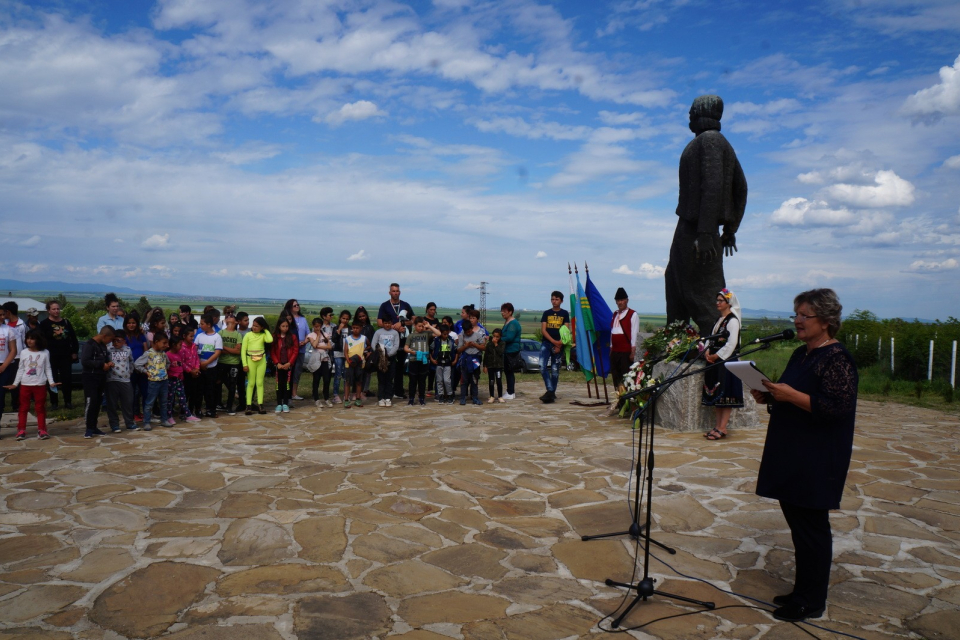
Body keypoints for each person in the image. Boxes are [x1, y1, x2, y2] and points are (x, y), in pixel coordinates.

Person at [752, 289, 857, 623]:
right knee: (799, 527)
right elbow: (790, 396)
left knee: (812, 529)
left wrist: (791, 395)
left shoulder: (837, 359)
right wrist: (768, 395)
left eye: (803, 315)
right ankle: (801, 591)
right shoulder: (801, 354)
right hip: (791, 451)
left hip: (817, 457)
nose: (796, 321)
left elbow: (837, 408)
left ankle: (812, 601)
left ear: (826, 321)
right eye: (794, 314)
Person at [665, 95, 747, 335]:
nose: (689, 118)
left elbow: (712, 186)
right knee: (675, 280)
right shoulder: (715, 143)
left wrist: (706, 232)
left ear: (700, 115)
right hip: (696, 228)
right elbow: (741, 188)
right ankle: (675, 339)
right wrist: (729, 229)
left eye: (691, 113)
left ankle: (716, 348)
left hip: (698, 230)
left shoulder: (710, 140)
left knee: (702, 293)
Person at [702, 288, 743, 440]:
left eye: (721, 301)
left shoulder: (732, 321)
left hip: (726, 362)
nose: (717, 303)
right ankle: (717, 426)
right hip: (716, 362)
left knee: (726, 397)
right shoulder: (719, 320)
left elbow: (731, 344)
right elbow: (711, 337)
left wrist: (716, 356)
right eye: (717, 300)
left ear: (728, 303)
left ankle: (723, 427)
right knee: (718, 396)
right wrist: (706, 351)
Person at [4, 329, 57, 440]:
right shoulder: (23, 352)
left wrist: (51, 382)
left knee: (40, 408)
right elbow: (21, 369)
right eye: (28, 338)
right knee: (23, 408)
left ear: (38, 340)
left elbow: (47, 368)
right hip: (25, 385)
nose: (29, 341)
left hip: (40, 385)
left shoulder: (45, 352)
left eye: (32, 338)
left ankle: (42, 430)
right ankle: (21, 430)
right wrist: (15, 384)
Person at [40, 300, 79, 410]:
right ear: (48, 310)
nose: (56, 311)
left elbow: (73, 338)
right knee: (52, 379)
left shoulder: (65, 322)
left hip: (65, 355)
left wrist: (74, 351)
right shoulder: (44, 324)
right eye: (54, 309)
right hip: (50, 356)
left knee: (67, 379)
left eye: (58, 309)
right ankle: (54, 402)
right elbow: (40, 340)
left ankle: (68, 401)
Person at [377, 284, 414, 400]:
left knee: (400, 366)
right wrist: (393, 327)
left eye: (397, 291)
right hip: (388, 341)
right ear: (389, 293)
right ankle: (386, 392)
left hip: (403, 340)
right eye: (393, 291)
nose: (395, 293)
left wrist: (402, 324)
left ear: (400, 292)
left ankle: (398, 391)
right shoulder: (384, 305)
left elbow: (413, 320)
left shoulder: (405, 305)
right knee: (386, 366)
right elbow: (379, 322)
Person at [80, 326, 114, 438]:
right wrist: (100, 365)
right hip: (90, 377)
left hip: (101, 377)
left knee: (97, 402)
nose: (110, 342)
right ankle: (89, 428)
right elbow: (85, 361)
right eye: (110, 339)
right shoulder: (89, 345)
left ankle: (94, 426)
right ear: (104, 336)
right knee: (91, 402)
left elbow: (105, 358)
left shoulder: (103, 346)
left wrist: (108, 363)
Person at [135, 332, 172, 430]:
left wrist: (164, 369)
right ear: (156, 342)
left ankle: (164, 420)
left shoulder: (163, 354)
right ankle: (146, 422)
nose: (166, 345)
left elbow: (168, 363)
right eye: (164, 343)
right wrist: (146, 371)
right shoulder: (149, 354)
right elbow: (137, 364)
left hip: (164, 381)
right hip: (153, 382)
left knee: (164, 402)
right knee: (150, 402)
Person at [105, 329, 138, 432]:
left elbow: (131, 361)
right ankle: (114, 424)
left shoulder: (127, 349)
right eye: (114, 340)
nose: (115, 343)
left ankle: (129, 423)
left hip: (125, 380)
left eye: (118, 340)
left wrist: (130, 372)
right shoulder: (108, 349)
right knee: (112, 403)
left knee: (128, 402)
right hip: (112, 380)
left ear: (124, 341)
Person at [539, 291, 569, 404]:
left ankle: (551, 393)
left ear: (561, 301)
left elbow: (566, 331)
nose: (554, 301)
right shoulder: (546, 313)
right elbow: (543, 330)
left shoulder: (564, 313)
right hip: (546, 343)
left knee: (555, 370)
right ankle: (550, 390)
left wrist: (559, 344)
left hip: (559, 344)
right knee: (542, 366)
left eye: (556, 299)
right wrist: (553, 341)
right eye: (552, 299)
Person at [241, 317, 273, 415]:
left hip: (261, 360)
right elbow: (243, 350)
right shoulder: (248, 335)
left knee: (259, 383)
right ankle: (248, 405)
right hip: (250, 360)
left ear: (261, 327)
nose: (254, 327)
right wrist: (245, 364)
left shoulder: (263, 335)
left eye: (257, 326)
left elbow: (270, 340)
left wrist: (266, 330)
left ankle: (260, 404)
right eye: (253, 325)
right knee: (251, 383)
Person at [610, 287, 640, 390]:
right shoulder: (615, 314)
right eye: (618, 300)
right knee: (615, 376)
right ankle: (618, 398)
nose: (620, 302)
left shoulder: (633, 314)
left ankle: (626, 400)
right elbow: (612, 331)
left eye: (622, 300)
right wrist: (611, 347)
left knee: (626, 376)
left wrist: (632, 351)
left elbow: (634, 333)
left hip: (625, 351)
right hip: (615, 351)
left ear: (627, 300)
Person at [166, 335, 200, 424]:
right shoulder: (168, 355)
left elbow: (182, 365)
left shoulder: (179, 354)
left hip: (180, 380)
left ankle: (188, 415)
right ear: (173, 345)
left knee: (182, 398)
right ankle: (169, 416)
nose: (181, 347)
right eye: (179, 345)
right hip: (171, 380)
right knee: (170, 399)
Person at [196, 314, 223, 418]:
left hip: (211, 368)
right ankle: (198, 409)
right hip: (199, 367)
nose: (200, 325)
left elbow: (217, 353)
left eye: (202, 323)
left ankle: (210, 409)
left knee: (210, 390)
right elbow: (195, 350)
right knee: (199, 390)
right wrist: (199, 363)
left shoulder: (217, 337)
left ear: (208, 324)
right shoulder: (199, 336)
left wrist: (206, 363)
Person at [123, 315, 149, 421]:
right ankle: (134, 413)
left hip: (142, 368)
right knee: (132, 393)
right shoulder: (124, 336)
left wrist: (145, 364)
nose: (131, 325)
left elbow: (146, 350)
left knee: (145, 392)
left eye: (133, 323)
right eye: (129, 323)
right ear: (125, 324)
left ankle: (146, 414)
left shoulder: (141, 335)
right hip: (130, 369)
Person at [2, 301, 26, 413]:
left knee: (15, 382)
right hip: (6, 357)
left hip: (17, 357)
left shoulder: (21, 325)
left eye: (3, 313)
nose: (2, 316)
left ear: (8, 312)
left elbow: (25, 341)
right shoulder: (5, 324)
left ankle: (15, 403)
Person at [283, 299, 309, 401]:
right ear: (289, 307)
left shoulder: (303, 319)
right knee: (289, 371)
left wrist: (304, 342)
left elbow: (308, 333)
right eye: (295, 305)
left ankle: (294, 393)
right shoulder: (287, 319)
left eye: (298, 305)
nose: (297, 306)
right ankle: (286, 393)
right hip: (290, 349)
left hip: (301, 349)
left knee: (297, 371)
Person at [271, 317, 298, 413]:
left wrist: (290, 363)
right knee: (279, 384)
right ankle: (279, 403)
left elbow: (295, 351)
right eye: (283, 326)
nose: (285, 328)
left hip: (288, 364)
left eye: (287, 326)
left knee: (287, 385)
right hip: (279, 364)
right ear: (279, 326)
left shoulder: (293, 337)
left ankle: (285, 403)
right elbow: (273, 351)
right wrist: (276, 363)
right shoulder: (275, 337)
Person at [457, 319, 486, 406]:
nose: (468, 333)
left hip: (475, 360)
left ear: (472, 328)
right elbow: (458, 350)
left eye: (469, 331)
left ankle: (475, 397)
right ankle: (462, 398)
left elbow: (484, 347)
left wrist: (475, 345)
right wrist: (466, 346)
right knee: (464, 380)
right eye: (466, 332)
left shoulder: (478, 335)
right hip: (465, 360)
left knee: (474, 380)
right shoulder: (462, 336)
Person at [305, 316, 333, 408]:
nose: (318, 328)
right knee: (316, 380)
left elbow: (329, 347)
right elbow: (314, 345)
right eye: (316, 327)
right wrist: (317, 335)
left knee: (326, 379)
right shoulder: (311, 335)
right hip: (316, 360)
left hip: (324, 359)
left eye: (319, 326)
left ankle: (326, 397)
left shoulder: (325, 334)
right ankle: (316, 398)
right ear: (313, 326)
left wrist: (319, 346)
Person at [218, 315, 243, 416]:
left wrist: (224, 347)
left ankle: (229, 407)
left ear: (236, 322)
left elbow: (237, 351)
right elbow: (218, 349)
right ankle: (217, 404)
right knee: (220, 381)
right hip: (222, 362)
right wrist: (229, 350)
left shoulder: (238, 335)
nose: (230, 318)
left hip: (234, 363)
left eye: (232, 317)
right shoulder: (221, 333)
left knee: (233, 385)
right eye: (228, 317)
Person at [371, 321, 400, 407]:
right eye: (385, 323)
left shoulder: (395, 333)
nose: (387, 325)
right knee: (381, 378)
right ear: (383, 323)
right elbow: (373, 344)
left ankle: (388, 398)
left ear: (391, 323)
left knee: (389, 378)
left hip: (391, 357)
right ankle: (381, 398)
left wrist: (389, 354)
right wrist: (380, 353)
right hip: (381, 358)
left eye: (389, 323)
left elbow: (396, 345)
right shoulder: (378, 332)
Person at [404, 317, 432, 406]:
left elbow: (438, 333)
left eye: (422, 326)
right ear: (414, 325)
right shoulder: (411, 336)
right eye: (419, 326)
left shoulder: (426, 334)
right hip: (414, 360)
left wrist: (429, 326)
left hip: (424, 361)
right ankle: (411, 398)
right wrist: (411, 352)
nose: (421, 328)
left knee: (422, 380)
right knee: (412, 380)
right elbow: (405, 348)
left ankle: (421, 398)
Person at [343, 320, 368, 408]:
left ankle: (358, 399)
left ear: (361, 328)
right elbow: (345, 351)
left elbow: (369, 346)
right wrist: (348, 360)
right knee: (348, 382)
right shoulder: (348, 339)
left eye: (357, 328)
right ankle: (346, 399)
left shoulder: (364, 338)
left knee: (358, 382)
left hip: (360, 363)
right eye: (354, 328)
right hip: (349, 363)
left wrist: (365, 352)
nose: (355, 330)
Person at [431, 324, 457, 404]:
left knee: (447, 380)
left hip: (448, 363)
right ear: (440, 333)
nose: (445, 336)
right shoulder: (436, 340)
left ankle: (450, 395)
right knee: (439, 380)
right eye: (444, 334)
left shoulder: (451, 340)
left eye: (447, 334)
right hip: (438, 363)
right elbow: (431, 350)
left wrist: (455, 360)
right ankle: (441, 395)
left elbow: (456, 351)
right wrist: (432, 359)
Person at [500, 303, 521, 400]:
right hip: (507, 350)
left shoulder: (513, 323)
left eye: (504, 311)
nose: (502, 313)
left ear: (510, 312)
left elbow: (509, 337)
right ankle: (509, 390)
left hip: (511, 350)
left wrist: (498, 338)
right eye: (502, 311)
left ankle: (510, 391)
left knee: (509, 371)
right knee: (508, 371)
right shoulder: (507, 322)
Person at [0, 311, 19, 420]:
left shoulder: (8, 330)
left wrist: (3, 366)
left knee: (0, 397)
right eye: (0, 315)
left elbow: (13, 350)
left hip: (4, 366)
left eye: (3, 314)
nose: (3, 317)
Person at [354, 306, 376, 398]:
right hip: (357, 353)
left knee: (367, 372)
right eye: (360, 317)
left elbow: (372, 341)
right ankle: (356, 391)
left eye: (363, 316)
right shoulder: (356, 327)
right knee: (358, 373)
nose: (362, 318)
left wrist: (370, 352)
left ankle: (365, 390)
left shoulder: (370, 328)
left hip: (368, 353)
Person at [331, 310, 351, 405]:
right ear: (340, 318)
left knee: (346, 374)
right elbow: (334, 339)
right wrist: (339, 330)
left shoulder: (351, 329)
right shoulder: (335, 328)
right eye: (343, 318)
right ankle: (336, 395)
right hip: (338, 353)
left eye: (347, 319)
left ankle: (346, 394)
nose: (345, 320)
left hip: (348, 354)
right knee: (338, 374)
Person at [181, 330, 202, 419]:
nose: (192, 338)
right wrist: (190, 371)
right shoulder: (181, 347)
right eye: (190, 336)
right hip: (186, 373)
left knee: (194, 392)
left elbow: (196, 358)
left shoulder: (193, 346)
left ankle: (191, 410)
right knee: (186, 393)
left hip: (195, 372)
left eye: (193, 336)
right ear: (184, 336)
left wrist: (197, 368)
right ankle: (183, 412)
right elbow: (182, 362)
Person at [484, 328, 506, 403]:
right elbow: (486, 355)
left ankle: (500, 396)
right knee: (491, 381)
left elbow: (501, 352)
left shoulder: (502, 343)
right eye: (494, 336)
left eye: (497, 337)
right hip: (490, 366)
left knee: (499, 381)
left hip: (498, 366)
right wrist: (485, 366)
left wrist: (496, 344)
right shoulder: (489, 344)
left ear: (500, 337)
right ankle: (492, 396)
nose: (495, 338)